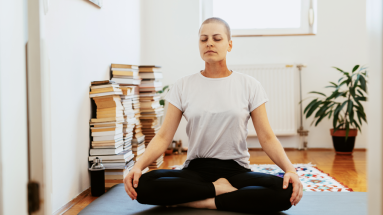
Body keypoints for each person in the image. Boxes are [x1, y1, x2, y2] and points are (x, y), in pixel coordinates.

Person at [123, 17, 303, 214]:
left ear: (229, 45)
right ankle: (218, 192)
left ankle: (201, 201)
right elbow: (164, 136)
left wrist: (290, 170)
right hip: (196, 170)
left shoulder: (250, 85)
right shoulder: (183, 86)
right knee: (143, 184)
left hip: (236, 171)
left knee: (286, 191)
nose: (209, 43)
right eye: (203, 39)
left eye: (217, 38)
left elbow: (267, 137)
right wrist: (137, 166)